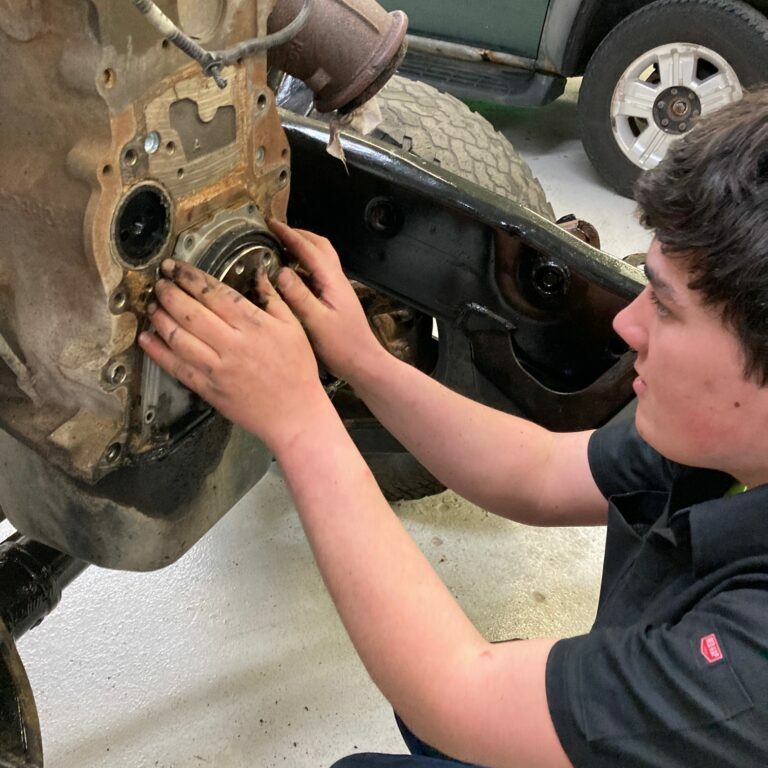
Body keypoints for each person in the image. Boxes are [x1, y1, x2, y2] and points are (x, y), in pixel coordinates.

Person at [138, 89, 768, 767]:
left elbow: (456, 690)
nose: (628, 323)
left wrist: (297, 421)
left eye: (667, 310)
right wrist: (363, 362)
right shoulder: (726, 445)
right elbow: (538, 473)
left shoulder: (749, 677)